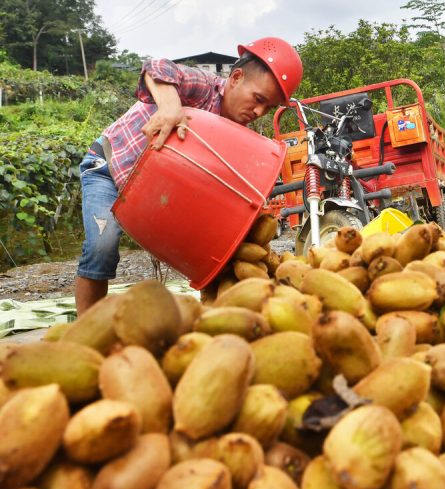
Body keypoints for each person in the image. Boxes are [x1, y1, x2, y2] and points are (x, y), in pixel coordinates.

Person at [74, 37, 302, 315]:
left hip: (146, 195)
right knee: (102, 246)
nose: (259, 112)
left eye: (268, 108)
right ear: (237, 77)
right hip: (108, 168)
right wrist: (171, 106)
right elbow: (156, 67)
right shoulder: (205, 89)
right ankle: (85, 328)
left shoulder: (238, 135)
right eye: (258, 99)